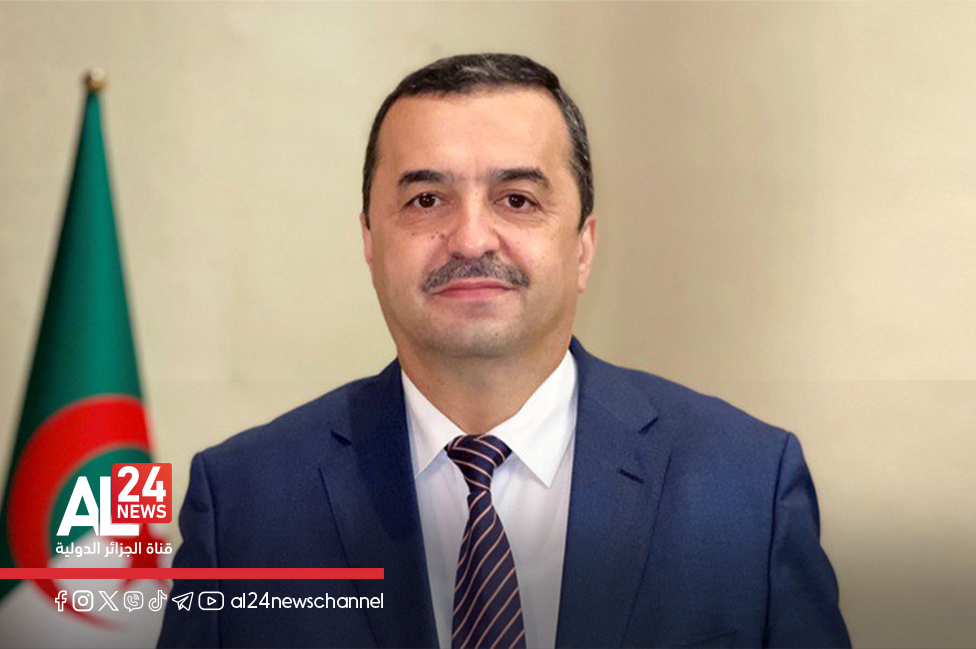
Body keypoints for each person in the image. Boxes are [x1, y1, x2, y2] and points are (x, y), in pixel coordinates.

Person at [158, 53, 850, 648]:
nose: (470, 239)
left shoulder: (748, 487)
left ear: (583, 245)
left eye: (516, 199)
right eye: (426, 200)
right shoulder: (244, 503)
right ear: (369, 241)